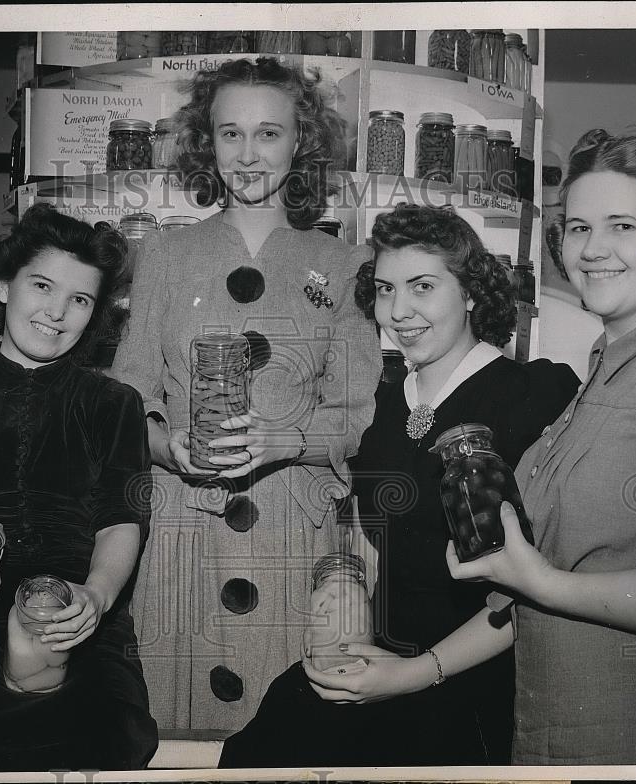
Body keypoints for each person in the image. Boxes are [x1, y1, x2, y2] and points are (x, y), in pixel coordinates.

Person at [219, 203, 580, 768]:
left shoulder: (529, 397)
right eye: (385, 290)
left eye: (422, 287)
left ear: (470, 293)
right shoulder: (390, 401)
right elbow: (378, 539)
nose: (399, 311)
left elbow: (531, 589)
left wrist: (414, 673)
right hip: (379, 660)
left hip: (467, 680)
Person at [443, 128, 636, 764]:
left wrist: (546, 584)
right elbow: (545, 575)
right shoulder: (613, 360)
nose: (591, 249)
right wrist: (409, 676)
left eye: (622, 226)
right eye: (577, 228)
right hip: (565, 737)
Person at [109, 56, 381, 732]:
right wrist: (167, 448)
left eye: (269, 133)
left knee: (281, 735)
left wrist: (289, 439)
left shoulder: (344, 266)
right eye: (230, 134)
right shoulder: (168, 257)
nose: (249, 153)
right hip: (183, 529)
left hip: (293, 530)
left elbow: (357, 415)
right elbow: (127, 396)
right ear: (208, 144)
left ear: (301, 144)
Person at [0, 203, 158, 771]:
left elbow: (122, 516)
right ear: (3, 286)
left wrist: (96, 598)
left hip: (83, 617)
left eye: (79, 299)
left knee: (114, 736)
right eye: (42, 286)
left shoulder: (115, 403)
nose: (57, 312)